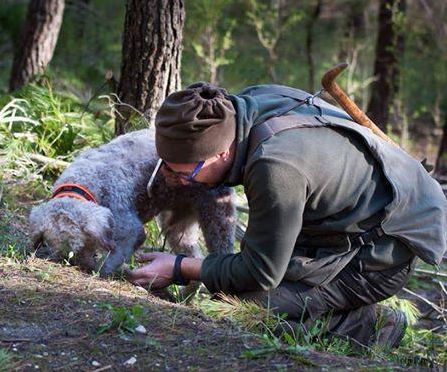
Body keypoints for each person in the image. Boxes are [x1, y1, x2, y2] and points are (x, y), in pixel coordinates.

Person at [127, 82, 447, 348]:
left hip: (383, 251)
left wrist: (180, 267)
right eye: (166, 168)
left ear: (222, 152)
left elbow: (260, 272)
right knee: (236, 285)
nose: (176, 181)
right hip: (341, 222)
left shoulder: (273, 167)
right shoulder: (241, 110)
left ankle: (369, 327)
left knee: (237, 309)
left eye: (185, 174)